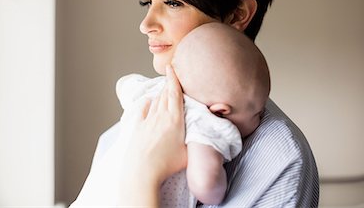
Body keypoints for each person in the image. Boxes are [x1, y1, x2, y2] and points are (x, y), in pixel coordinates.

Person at [72, 0, 319, 207]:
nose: (146, 24)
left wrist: (143, 177)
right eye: (147, 3)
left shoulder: (278, 158)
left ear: (238, 14)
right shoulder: (129, 125)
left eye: (172, 3)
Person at [115, 22, 270, 206]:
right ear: (221, 111)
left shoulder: (153, 90)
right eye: (258, 112)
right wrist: (218, 188)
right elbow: (204, 184)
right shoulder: (206, 123)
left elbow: (123, 84)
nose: (261, 118)